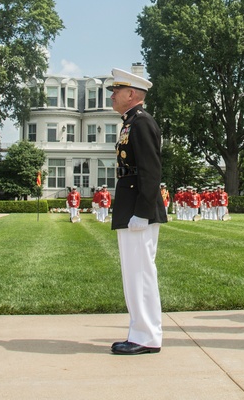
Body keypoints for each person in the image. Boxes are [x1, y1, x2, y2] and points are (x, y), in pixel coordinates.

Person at [108, 67, 166, 355]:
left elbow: (151, 170)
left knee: (140, 272)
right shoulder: (130, 122)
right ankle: (140, 331)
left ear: (131, 94)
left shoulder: (141, 123)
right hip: (131, 204)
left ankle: (146, 336)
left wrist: (142, 211)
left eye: (116, 90)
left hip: (138, 207)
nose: (112, 95)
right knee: (134, 272)